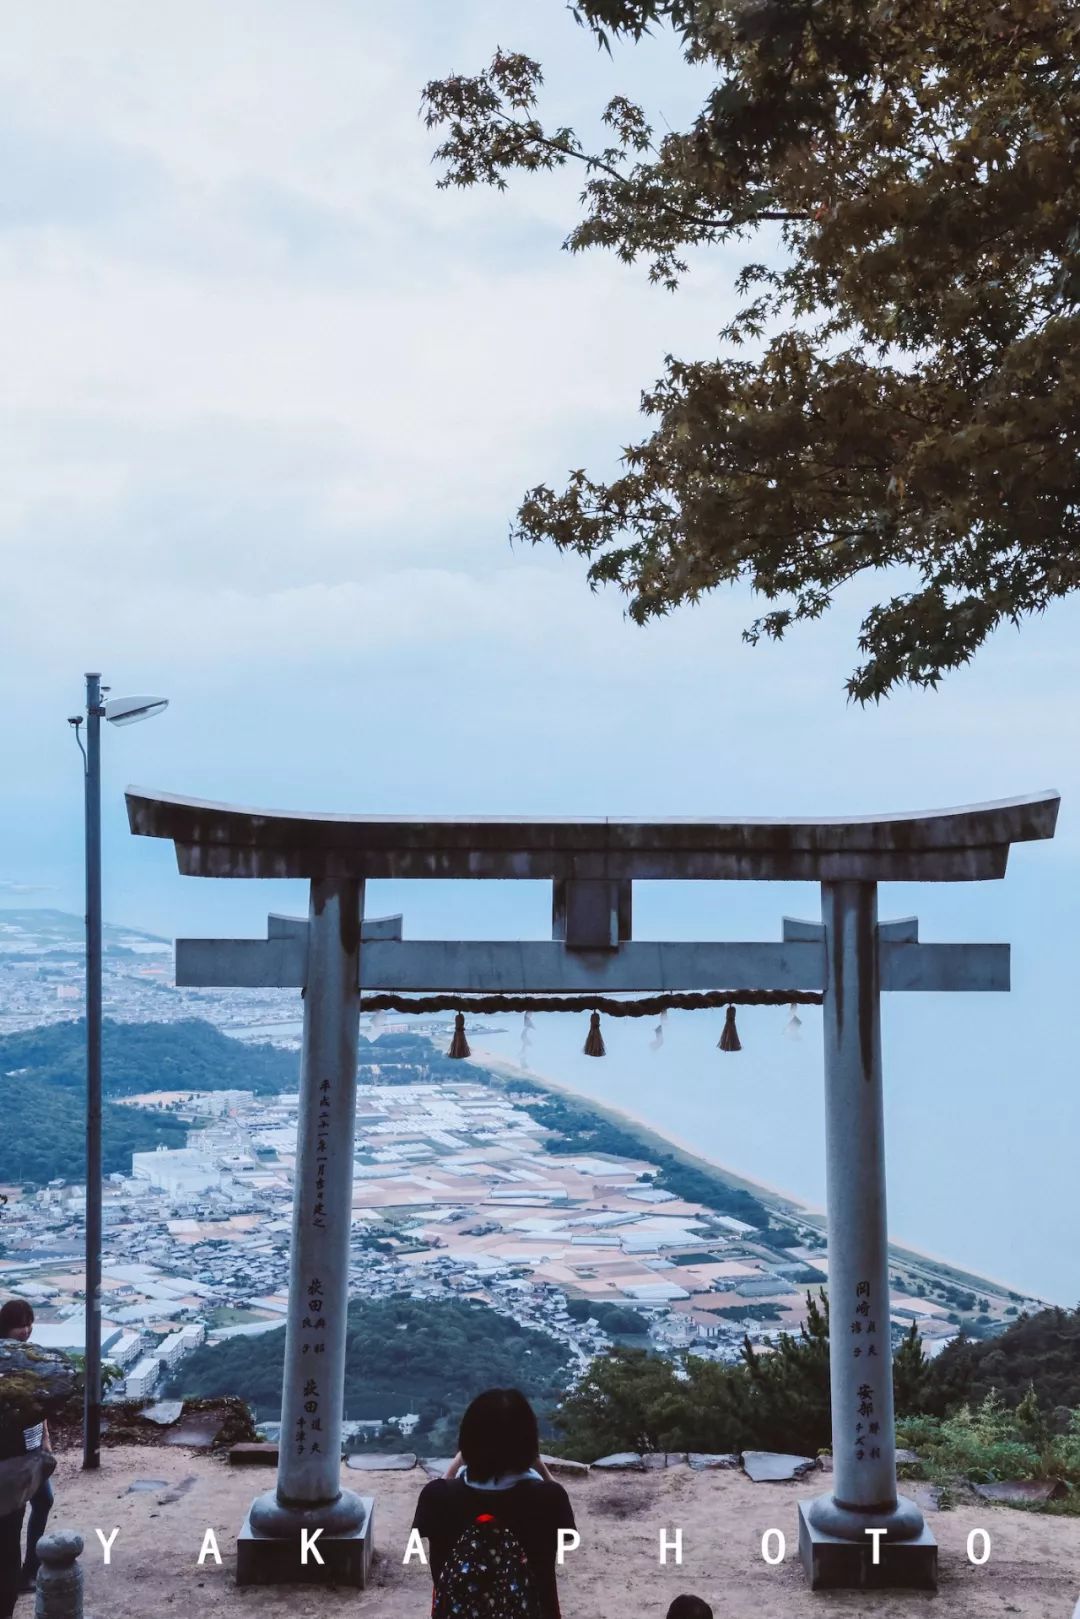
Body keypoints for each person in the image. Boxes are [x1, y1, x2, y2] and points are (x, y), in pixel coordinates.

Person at [412, 1388, 576, 1619]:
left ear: (467, 1442)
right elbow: (566, 1529)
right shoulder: (549, 1499)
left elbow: (442, 1488)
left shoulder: (436, 1497)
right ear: (529, 1445)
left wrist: (458, 1462)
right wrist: (539, 1465)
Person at [0, 1301, 53, 1594]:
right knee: (13, 1517)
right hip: (11, 1454)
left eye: (30, 1323)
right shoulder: (4, 1360)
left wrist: (45, 1439)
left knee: (43, 1501)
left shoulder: (28, 1358)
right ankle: (18, 1574)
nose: (27, 1330)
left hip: (33, 1448)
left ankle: (29, 1568)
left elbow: (40, 1403)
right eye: (21, 1324)